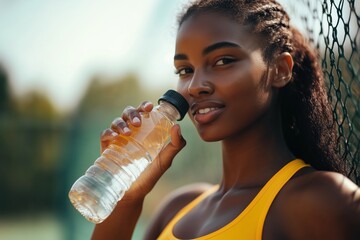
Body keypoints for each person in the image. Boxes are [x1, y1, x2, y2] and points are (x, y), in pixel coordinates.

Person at [92, 0, 360, 239]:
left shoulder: (322, 201)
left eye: (223, 61)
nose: (195, 86)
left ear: (279, 70)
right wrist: (126, 195)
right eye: (185, 69)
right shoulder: (178, 207)